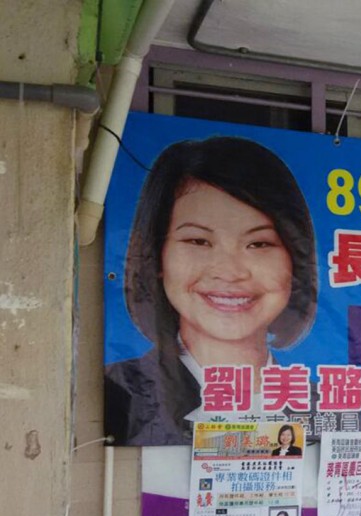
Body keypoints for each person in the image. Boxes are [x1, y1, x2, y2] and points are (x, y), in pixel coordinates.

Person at [104, 136, 318, 447]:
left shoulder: (331, 406)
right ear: (157, 256)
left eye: (258, 244)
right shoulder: (116, 393)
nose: (230, 272)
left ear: (294, 263)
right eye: (198, 241)